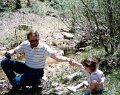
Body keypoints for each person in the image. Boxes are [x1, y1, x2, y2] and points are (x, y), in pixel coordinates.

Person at [0, 30, 75, 94]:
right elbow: (15, 50)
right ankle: (22, 79)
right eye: (33, 41)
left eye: (37, 40)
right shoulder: (25, 44)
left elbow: (57, 57)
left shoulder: (44, 48)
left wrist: (68, 59)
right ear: (28, 40)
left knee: (16, 83)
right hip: (26, 67)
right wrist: (9, 53)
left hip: (37, 71)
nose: (35, 42)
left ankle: (32, 81)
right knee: (4, 62)